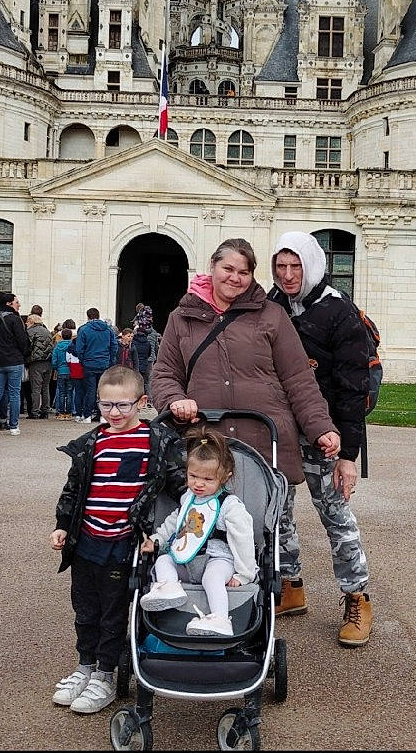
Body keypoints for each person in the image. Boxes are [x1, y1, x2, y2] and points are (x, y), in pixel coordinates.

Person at [149, 237, 340, 612]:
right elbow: (164, 374)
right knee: (199, 519)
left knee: (258, 526)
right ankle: (193, 596)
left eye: (244, 271)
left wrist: (321, 427)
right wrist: (175, 400)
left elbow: (299, 379)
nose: (235, 278)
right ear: (212, 267)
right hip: (206, 443)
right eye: (228, 269)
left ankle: (253, 599)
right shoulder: (182, 317)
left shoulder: (271, 315)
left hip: (261, 438)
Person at [48, 363, 187, 716]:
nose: (114, 412)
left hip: (125, 541)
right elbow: (73, 489)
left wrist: (203, 501)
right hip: (86, 538)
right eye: (106, 405)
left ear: (141, 402)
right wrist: (63, 523)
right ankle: (85, 666)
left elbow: (178, 482)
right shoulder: (91, 443)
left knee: (112, 612)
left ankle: (106, 674)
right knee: (84, 609)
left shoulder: (154, 442)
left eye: (123, 405)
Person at [268, 234, 375, 647]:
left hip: (324, 431)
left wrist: (349, 455)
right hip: (280, 429)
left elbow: (353, 387)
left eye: (296, 266)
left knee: (335, 514)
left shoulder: (338, 311)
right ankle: (290, 586)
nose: (289, 275)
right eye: (281, 267)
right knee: (278, 512)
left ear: (311, 264)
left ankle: (356, 596)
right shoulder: (273, 304)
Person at [140, 424, 257, 636]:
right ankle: (168, 587)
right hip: (187, 560)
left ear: (225, 477)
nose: (198, 484)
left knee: (211, 579)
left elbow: (243, 540)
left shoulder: (229, 506)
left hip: (219, 560)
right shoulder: (188, 499)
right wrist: (157, 539)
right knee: (163, 561)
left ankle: (220, 618)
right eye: (193, 476)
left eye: (207, 479)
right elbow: (175, 522)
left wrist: (244, 574)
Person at [0, 291, 31, 434]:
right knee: (14, 394)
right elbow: (22, 341)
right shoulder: (15, 319)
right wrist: (24, 353)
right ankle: (14, 426)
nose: (18, 305)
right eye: (16, 302)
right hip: (14, 360)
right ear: (9, 303)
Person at [74, 307, 119, 422]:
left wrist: (83, 360)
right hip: (104, 363)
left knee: (90, 390)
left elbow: (79, 348)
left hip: (89, 364)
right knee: (102, 390)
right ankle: (102, 416)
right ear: (98, 316)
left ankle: (87, 415)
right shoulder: (108, 330)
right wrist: (110, 361)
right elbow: (114, 346)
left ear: (88, 316)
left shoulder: (84, 329)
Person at [25, 305, 55, 418]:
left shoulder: (31, 332)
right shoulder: (47, 331)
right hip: (48, 362)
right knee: (45, 387)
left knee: (36, 388)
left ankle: (35, 411)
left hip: (36, 362)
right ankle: (45, 410)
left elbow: (28, 347)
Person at [51, 323, 75, 418]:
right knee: (69, 392)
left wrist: (57, 368)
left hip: (61, 371)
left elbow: (54, 360)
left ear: (61, 336)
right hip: (71, 371)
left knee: (61, 392)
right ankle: (69, 412)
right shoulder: (73, 346)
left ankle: (61, 412)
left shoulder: (57, 347)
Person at [130, 304, 159, 384]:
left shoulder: (136, 332)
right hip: (150, 359)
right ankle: (149, 396)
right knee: (148, 381)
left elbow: (132, 346)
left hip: (138, 358)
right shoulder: (154, 332)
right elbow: (156, 347)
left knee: (137, 380)